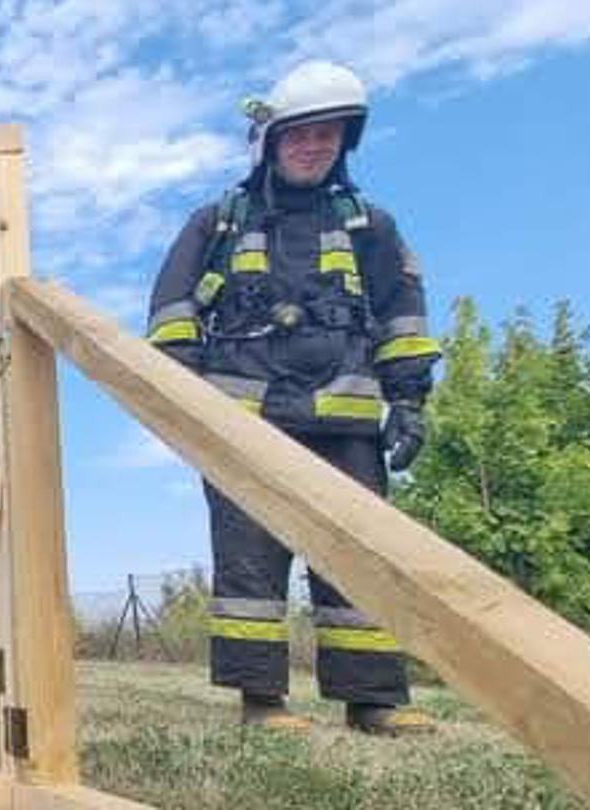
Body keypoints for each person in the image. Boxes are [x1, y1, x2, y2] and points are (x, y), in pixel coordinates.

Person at [145, 60, 441, 735]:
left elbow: (403, 316)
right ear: (271, 143)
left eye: (326, 137)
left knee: (361, 558)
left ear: (343, 145)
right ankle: (262, 701)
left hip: (347, 417)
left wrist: (411, 401)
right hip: (243, 421)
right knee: (250, 561)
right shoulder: (216, 224)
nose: (312, 148)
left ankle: (372, 702)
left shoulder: (371, 227)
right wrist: (190, 400)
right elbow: (170, 314)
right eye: (299, 137)